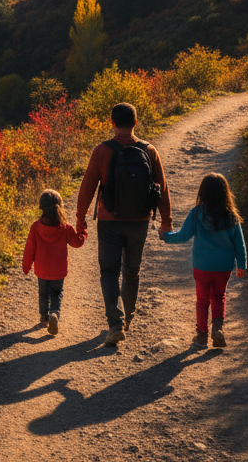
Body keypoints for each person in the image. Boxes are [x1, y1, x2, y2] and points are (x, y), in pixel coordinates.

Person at [75, 102, 172, 346]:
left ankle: (115, 324)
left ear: (113, 123)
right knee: (132, 270)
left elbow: (87, 187)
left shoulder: (102, 151)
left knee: (109, 272)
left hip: (109, 221)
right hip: (139, 221)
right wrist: (166, 222)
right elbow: (162, 189)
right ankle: (127, 317)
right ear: (135, 123)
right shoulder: (149, 150)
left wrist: (80, 220)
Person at [161, 172, 247, 347]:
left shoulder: (197, 213)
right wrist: (242, 264)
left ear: (203, 192)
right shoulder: (231, 216)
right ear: (225, 192)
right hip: (223, 267)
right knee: (219, 296)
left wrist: (166, 236)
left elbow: (183, 236)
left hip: (201, 266)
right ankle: (218, 329)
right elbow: (240, 244)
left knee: (202, 300)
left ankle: (201, 335)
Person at [22, 189, 86, 335]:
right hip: (58, 271)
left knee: (43, 293)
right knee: (56, 294)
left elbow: (29, 249)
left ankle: (44, 318)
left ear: (41, 207)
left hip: (42, 269)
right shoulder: (65, 228)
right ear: (59, 206)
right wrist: (82, 231)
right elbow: (77, 243)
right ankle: (54, 314)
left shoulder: (36, 227)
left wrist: (26, 267)